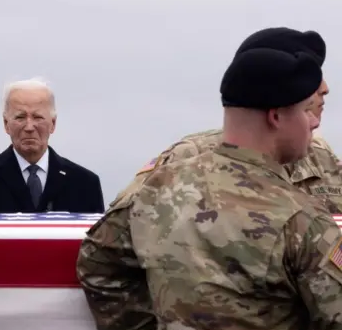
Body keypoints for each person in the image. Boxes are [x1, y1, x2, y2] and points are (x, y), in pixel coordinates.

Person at [77, 33, 342, 330]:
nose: (322, 96)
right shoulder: (300, 217)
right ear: (276, 113)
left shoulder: (163, 186)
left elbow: (100, 260)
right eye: (306, 104)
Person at [110, 28, 339, 215]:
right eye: (308, 77)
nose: (324, 89)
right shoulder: (190, 156)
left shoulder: (321, 159)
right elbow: (111, 242)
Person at [0, 77, 105, 213]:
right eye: (20, 117)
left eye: (38, 117)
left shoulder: (84, 184)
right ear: (6, 124)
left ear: (53, 124)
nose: (29, 127)